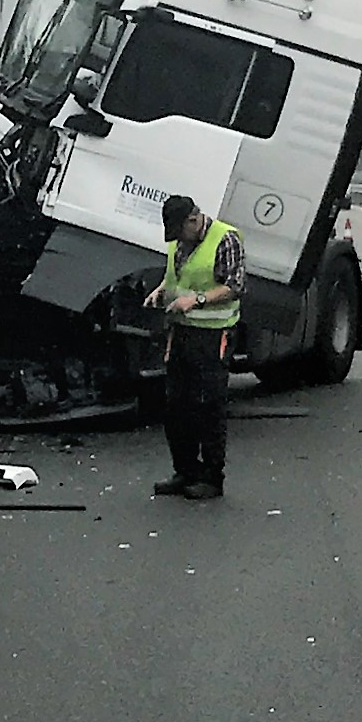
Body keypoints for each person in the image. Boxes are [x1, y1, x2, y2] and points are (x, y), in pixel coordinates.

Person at [144, 193, 243, 501]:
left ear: (193, 219)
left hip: (213, 335)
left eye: (180, 231)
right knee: (176, 406)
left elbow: (235, 286)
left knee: (209, 406)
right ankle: (185, 470)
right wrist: (161, 291)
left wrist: (196, 300)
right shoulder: (179, 240)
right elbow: (178, 274)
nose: (177, 239)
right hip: (181, 332)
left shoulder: (225, 239)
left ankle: (212, 477)